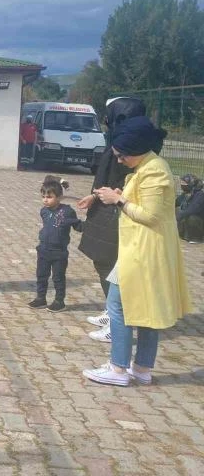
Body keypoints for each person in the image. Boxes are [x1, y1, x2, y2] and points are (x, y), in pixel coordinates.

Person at [83, 116, 191, 387]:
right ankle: (141, 368)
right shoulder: (148, 165)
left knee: (118, 305)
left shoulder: (154, 171)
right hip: (141, 250)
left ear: (137, 148)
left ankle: (118, 368)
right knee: (146, 309)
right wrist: (112, 195)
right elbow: (144, 201)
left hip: (144, 251)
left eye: (122, 155)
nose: (119, 160)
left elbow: (151, 216)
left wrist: (118, 200)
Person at [77, 97, 149, 342]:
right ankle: (112, 311)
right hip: (105, 207)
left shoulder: (134, 148)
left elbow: (124, 185)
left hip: (118, 212)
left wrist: (113, 198)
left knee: (113, 266)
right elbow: (106, 178)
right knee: (102, 261)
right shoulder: (117, 142)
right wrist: (94, 196)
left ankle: (119, 321)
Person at [28, 177, 82, 312]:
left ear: (59, 197)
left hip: (59, 252)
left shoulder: (67, 212)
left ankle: (59, 301)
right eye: (43, 197)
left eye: (49, 197)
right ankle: (41, 298)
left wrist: (93, 223)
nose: (45, 200)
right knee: (41, 275)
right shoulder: (44, 211)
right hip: (43, 250)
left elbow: (78, 226)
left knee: (58, 277)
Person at [176, 174, 204, 243]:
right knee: (177, 211)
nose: (182, 185)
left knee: (191, 217)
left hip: (200, 221)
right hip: (190, 218)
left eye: (184, 184)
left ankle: (196, 238)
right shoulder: (185, 194)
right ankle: (183, 234)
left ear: (191, 184)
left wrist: (179, 216)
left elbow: (192, 210)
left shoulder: (200, 195)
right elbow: (175, 203)